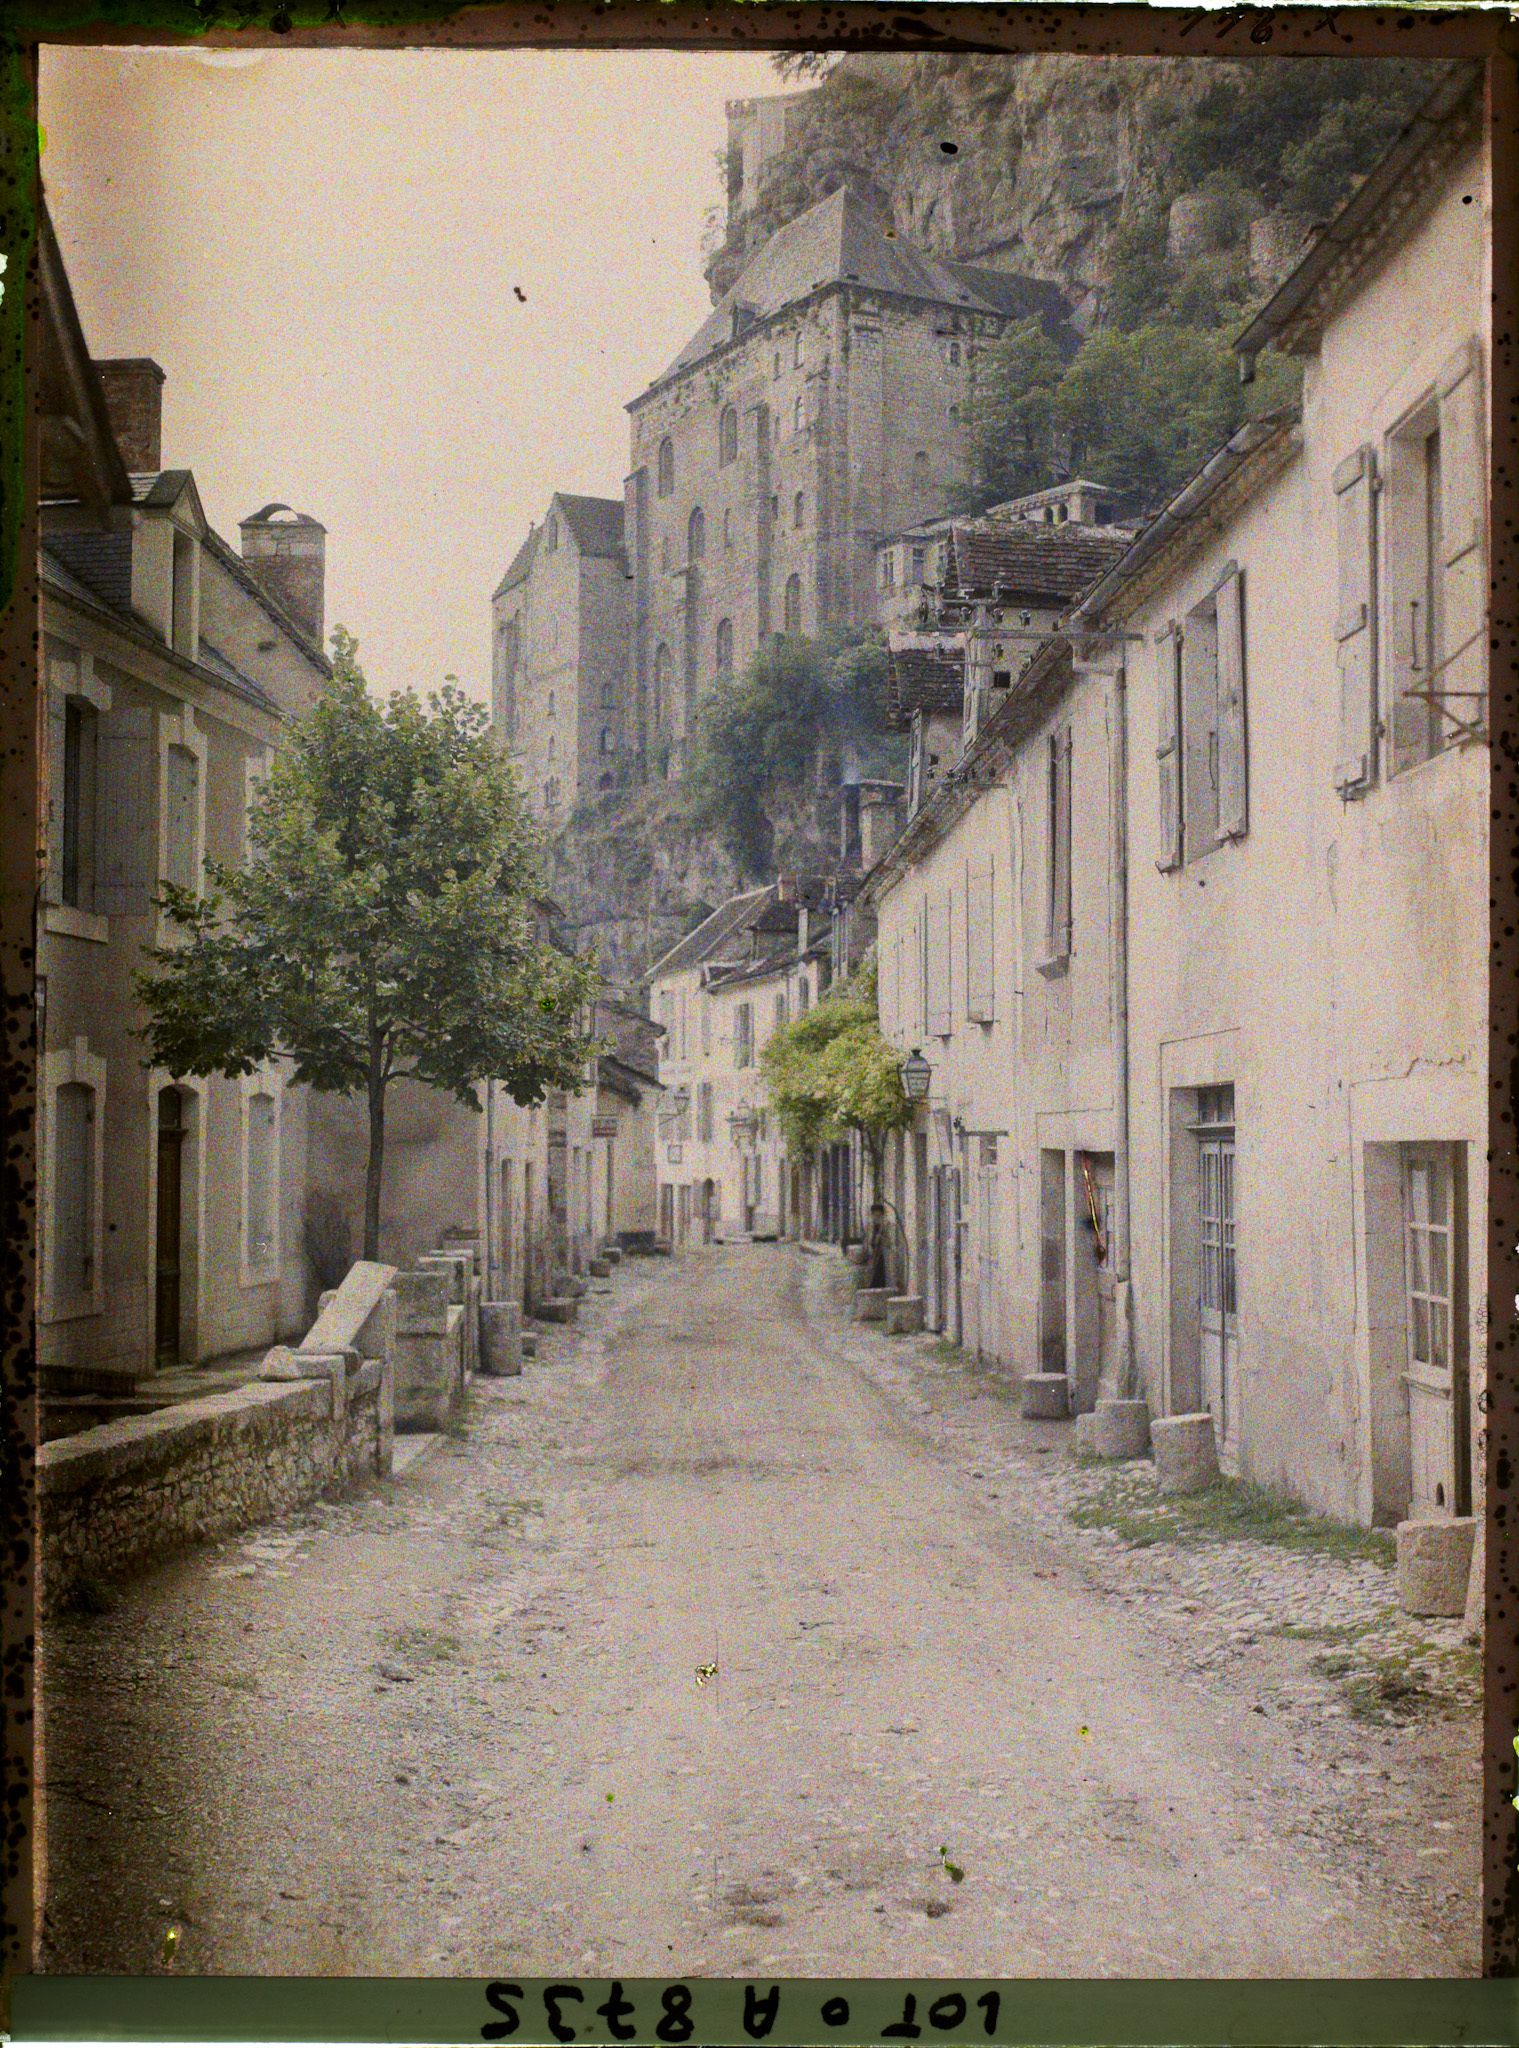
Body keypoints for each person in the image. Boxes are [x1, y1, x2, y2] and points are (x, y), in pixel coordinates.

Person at [863, 1200, 889, 1290]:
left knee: (880, 1280)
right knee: (871, 1280)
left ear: (882, 1216)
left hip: (881, 1258)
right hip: (872, 1258)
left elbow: (888, 1244)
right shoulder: (870, 1227)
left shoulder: (885, 1228)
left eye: (878, 1216)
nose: (876, 1218)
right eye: (874, 1215)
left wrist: (882, 1238)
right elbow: (866, 1241)